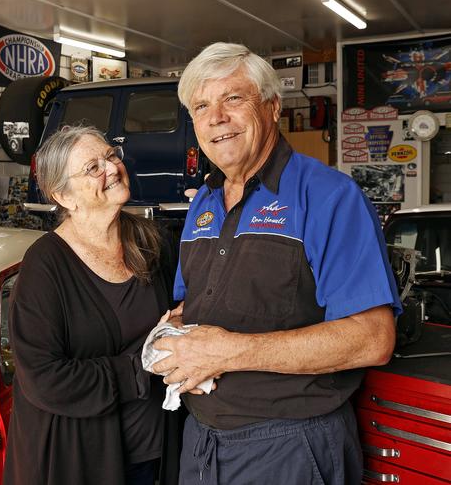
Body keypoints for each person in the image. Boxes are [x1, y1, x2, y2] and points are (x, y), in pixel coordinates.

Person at [150, 43, 402, 484]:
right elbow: (196, 305)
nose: (216, 117)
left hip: (291, 446)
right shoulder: (202, 206)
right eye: (201, 106)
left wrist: (228, 351)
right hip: (201, 443)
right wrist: (172, 331)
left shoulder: (328, 197)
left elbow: (372, 338)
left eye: (233, 98)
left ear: (271, 107)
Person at [3, 125, 180, 485]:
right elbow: (45, 379)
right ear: (63, 196)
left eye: (111, 156)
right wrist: (139, 369)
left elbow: (181, 310)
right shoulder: (45, 266)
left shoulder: (149, 240)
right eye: (92, 167)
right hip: (83, 462)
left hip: (155, 452)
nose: (112, 168)